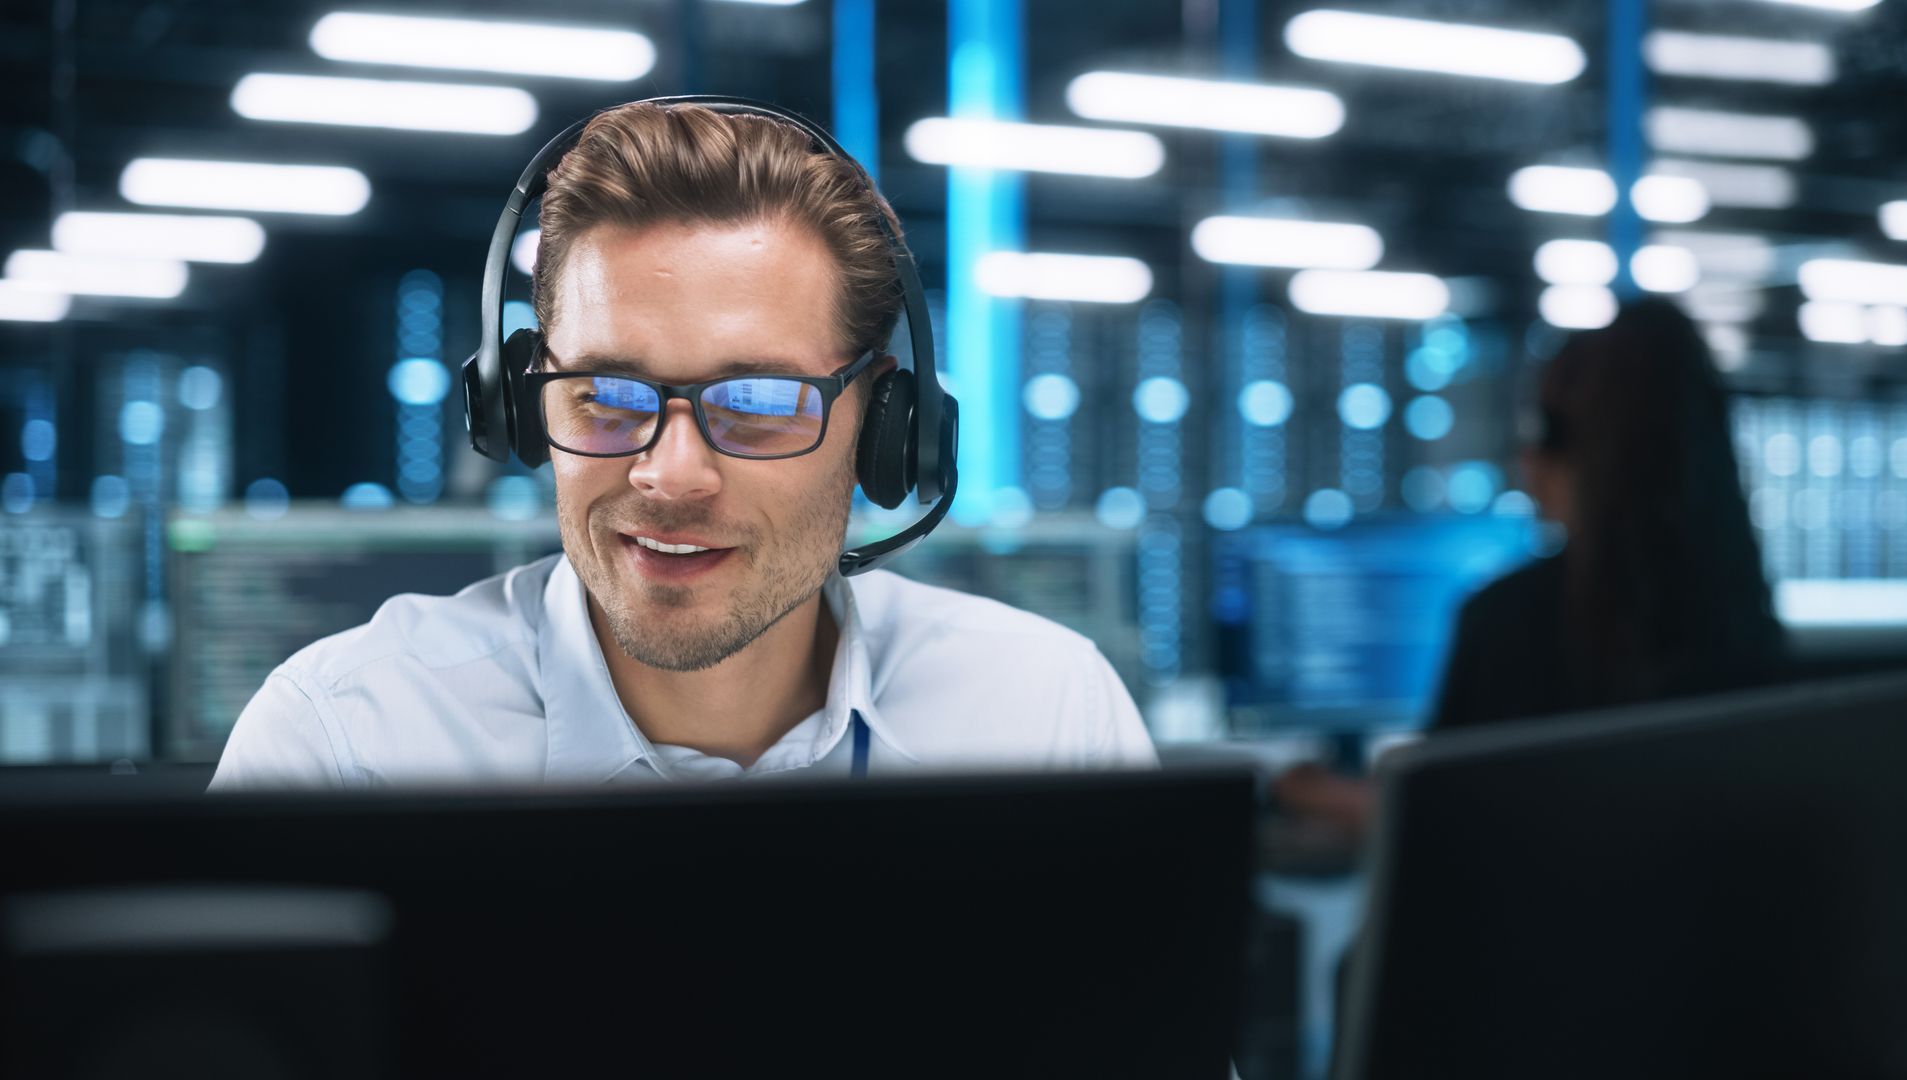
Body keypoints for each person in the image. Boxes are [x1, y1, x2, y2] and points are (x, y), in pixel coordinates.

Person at [211, 101, 1154, 790]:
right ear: (520, 409)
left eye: (757, 402)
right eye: (606, 396)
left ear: (885, 427)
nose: (670, 474)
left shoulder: (1044, 718)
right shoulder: (346, 746)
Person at [1278, 298, 1786, 830]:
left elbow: (1440, 826)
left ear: (1573, 454)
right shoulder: (1741, 625)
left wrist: (1317, 795)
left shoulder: (1511, 623)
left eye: (1536, 433)